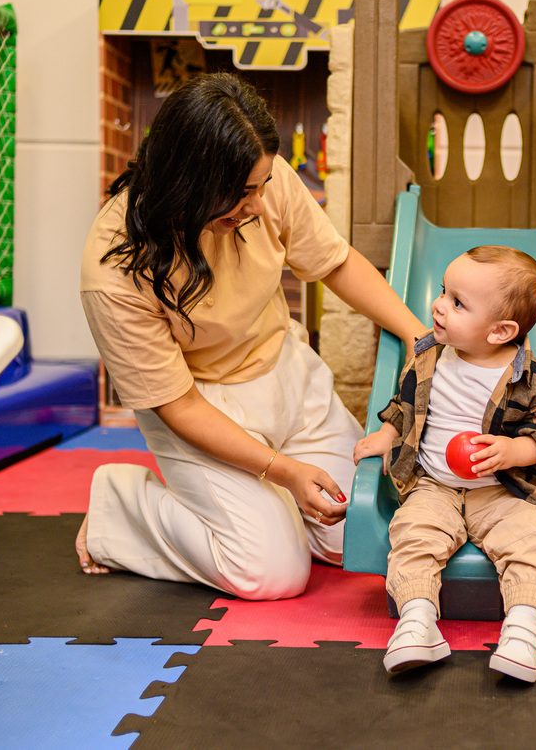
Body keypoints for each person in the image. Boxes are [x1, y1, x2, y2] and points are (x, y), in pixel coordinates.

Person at [77, 72, 423, 601]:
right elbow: (180, 406)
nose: (258, 205)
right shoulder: (115, 270)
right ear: (187, 182)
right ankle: (121, 509)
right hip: (203, 407)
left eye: (261, 186)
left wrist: (420, 336)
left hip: (284, 376)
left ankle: (261, 506)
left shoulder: (260, 180)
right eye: (241, 194)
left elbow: (335, 263)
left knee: (366, 533)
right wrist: (282, 473)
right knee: (270, 574)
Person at [353, 246, 536, 683]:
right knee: (414, 535)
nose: (438, 305)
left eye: (457, 302)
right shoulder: (428, 355)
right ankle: (417, 622)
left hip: (503, 491)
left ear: (500, 330)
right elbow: (405, 405)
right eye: (442, 291)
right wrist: (386, 436)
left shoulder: (531, 380)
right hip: (434, 484)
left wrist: (515, 452)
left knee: (531, 541)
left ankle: (523, 629)